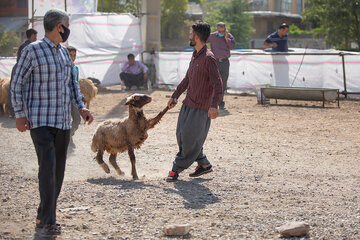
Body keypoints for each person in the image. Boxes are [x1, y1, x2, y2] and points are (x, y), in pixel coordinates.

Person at [11, 9, 94, 237]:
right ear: (60, 27)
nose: (68, 30)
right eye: (67, 26)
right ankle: (49, 221)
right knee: (47, 168)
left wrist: (82, 107)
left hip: (62, 122)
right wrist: (19, 113)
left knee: (57, 172)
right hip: (40, 122)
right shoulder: (32, 51)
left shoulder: (64, 54)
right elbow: (17, 83)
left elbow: (72, 85)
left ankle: (42, 213)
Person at [166, 21, 223, 182]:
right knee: (182, 137)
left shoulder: (209, 58)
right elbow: (187, 79)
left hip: (201, 108)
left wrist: (214, 105)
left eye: (191, 34)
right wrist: (175, 95)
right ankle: (204, 164)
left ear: (196, 37)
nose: (189, 36)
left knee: (190, 138)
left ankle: (175, 169)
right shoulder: (196, 55)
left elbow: (218, 84)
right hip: (188, 104)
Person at [8, 28, 38, 117]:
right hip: (25, 68)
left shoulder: (22, 45)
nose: (36, 38)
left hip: (17, 67)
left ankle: (12, 112)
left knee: (14, 88)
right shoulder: (31, 46)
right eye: (35, 36)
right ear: (32, 36)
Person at [207, 22, 235, 110]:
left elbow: (232, 46)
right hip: (214, 62)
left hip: (225, 62)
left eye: (222, 27)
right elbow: (203, 41)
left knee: (223, 83)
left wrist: (226, 38)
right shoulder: (212, 36)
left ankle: (220, 102)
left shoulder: (229, 36)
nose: (220, 29)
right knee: (213, 81)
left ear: (225, 28)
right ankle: (211, 102)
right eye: (219, 27)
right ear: (217, 28)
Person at [67, 46, 82, 149]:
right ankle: (68, 141)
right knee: (66, 120)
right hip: (64, 98)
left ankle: (69, 135)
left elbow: (75, 83)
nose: (73, 57)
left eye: (74, 55)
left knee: (77, 119)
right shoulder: (62, 68)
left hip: (74, 98)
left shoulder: (75, 68)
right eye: (70, 55)